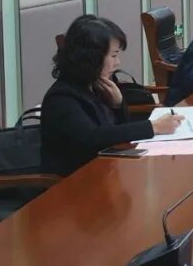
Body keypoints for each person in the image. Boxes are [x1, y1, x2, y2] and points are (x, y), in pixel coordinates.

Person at [41, 15, 184, 176]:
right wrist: (154, 127)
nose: (118, 62)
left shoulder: (96, 85)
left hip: (106, 169)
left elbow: (117, 132)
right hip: (76, 180)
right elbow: (92, 137)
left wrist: (118, 105)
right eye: (114, 55)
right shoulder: (61, 98)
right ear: (91, 57)